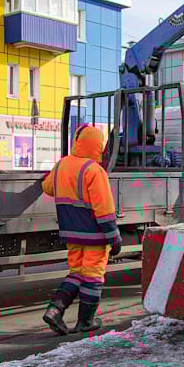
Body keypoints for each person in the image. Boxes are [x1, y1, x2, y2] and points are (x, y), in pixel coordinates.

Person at [41, 125, 121, 335]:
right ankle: (85, 321)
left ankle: (54, 310)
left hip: (71, 232)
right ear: (98, 146)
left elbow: (48, 187)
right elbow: (104, 208)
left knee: (77, 273)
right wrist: (114, 236)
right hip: (93, 234)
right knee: (93, 276)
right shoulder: (94, 170)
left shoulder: (62, 164)